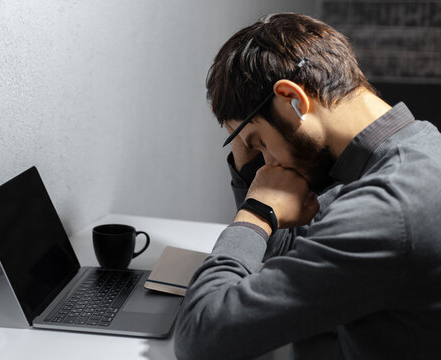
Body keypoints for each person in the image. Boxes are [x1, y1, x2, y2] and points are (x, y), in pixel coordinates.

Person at [174, 13, 441, 360]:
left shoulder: (388, 208)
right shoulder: (416, 149)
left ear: (293, 99)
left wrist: (254, 213)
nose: (269, 163)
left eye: (260, 142)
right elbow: (291, 252)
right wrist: (245, 155)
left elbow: (202, 336)